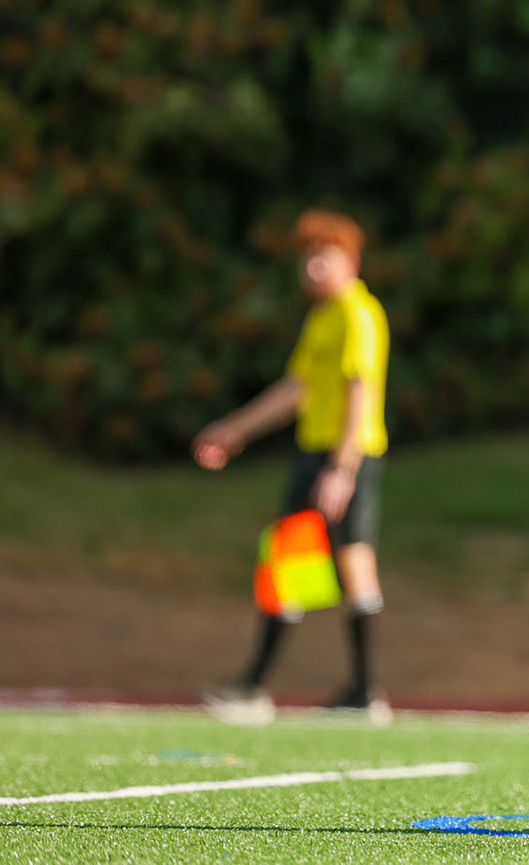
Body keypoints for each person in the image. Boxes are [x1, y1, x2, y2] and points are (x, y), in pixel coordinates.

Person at [192, 209, 391, 726]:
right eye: (307, 259)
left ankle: (362, 694)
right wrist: (234, 430)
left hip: (347, 454)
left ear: (350, 261)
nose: (312, 268)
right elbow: (294, 391)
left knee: (353, 563)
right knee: (291, 563)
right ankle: (257, 687)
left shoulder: (357, 313)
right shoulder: (322, 319)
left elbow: (360, 392)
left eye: (323, 257)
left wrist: (343, 469)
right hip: (313, 454)